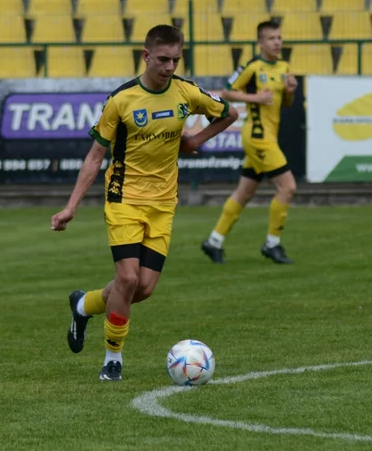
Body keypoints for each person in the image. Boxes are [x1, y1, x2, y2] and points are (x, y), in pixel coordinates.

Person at [51, 24, 239, 381]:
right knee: (127, 276)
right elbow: (94, 157)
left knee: (143, 288)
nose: (169, 67)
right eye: (163, 59)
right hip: (123, 198)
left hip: (164, 203)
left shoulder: (186, 92)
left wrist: (196, 140)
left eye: (176, 60)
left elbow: (229, 114)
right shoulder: (121, 100)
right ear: (146, 55)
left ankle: (83, 304)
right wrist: (71, 206)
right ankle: (113, 359)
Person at [201, 20, 298, 264]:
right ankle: (272, 244)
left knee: (244, 192)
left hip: (266, 136)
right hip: (258, 137)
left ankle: (214, 241)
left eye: (279, 38)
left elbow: (285, 103)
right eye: (271, 38)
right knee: (287, 187)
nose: (277, 42)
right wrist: (254, 97)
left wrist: (290, 90)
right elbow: (227, 91)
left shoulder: (284, 66)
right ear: (260, 43)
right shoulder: (252, 67)